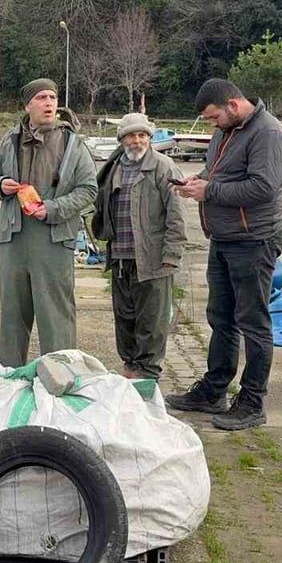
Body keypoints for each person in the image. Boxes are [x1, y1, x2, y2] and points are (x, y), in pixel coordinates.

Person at [165, 78, 282, 431]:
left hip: (254, 240)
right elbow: (216, 172)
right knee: (220, 317)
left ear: (233, 106)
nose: (212, 124)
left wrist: (211, 190)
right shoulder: (227, 132)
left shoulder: (270, 134)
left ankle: (252, 401)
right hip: (224, 237)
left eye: (213, 117)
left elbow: (264, 187)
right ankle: (214, 390)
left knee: (253, 322)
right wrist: (197, 182)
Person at [0, 78, 97, 367]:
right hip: (14, 239)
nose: (49, 103)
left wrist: (53, 208)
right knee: (12, 314)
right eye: (42, 98)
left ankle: (59, 376)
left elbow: (88, 190)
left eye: (52, 97)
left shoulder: (73, 144)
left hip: (53, 240)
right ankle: (11, 376)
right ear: (28, 105)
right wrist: (1, 184)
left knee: (55, 314)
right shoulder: (9, 142)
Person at [91, 112, 187, 380]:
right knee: (125, 318)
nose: (137, 140)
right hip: (121, 257)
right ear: (122, 139)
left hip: (153, 257)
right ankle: (131, 366)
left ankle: (148, 373)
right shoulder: (113, 168)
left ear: (150, 137)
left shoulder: (164, 167)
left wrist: (172, 253)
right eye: (131, 135)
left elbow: (177, 214)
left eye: (142, 135)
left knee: (152, 321)